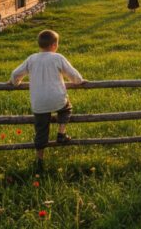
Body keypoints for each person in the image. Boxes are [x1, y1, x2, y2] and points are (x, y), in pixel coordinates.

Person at [9, 30, 85, 169]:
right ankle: (61, 133)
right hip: (57, 98)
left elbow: (15, 74)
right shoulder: (58, 58)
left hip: (39, 102)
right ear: (54, 44)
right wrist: (79, 81)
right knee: (66, 109)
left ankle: (39, 160)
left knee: (41, 130)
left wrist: (15, 82)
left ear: (40, 44)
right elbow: (73, 74)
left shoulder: (32, 59)